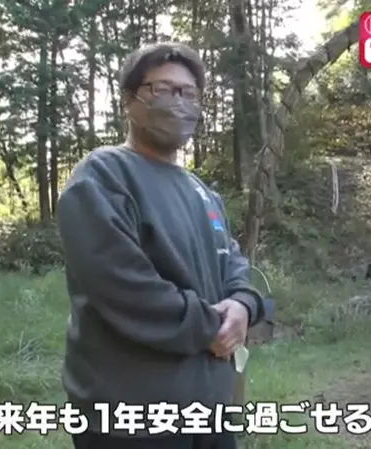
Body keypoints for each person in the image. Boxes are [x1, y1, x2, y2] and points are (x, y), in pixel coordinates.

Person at [56, 42, 266, 449]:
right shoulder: (102, 177)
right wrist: (211, 328)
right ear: (130, 100)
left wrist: (243, 305)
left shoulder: (202, 192)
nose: (179, 103)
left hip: (209, 407)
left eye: (189, 93)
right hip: (131, 416)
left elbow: (234, 265)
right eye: (162, 90)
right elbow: (122, 286)